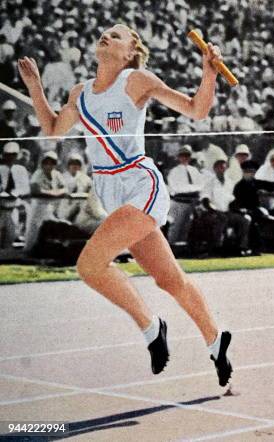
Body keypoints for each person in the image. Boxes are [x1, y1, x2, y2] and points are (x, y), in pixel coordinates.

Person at [17, 24, 232, 386]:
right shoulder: (80, 93)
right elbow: (54, 129)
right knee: (169, 280)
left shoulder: (136, 80)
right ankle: (217, 339)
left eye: (116, 35)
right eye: (104, 32)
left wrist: (208, 72)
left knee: (89, 265)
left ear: (130, 51)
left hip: (139, 184)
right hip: (110, 191)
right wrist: (36, 87)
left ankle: (152, 328)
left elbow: (197, 110)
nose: (106, 35)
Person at [166, 145, 206, 244]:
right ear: (179, 157)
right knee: (176, 226)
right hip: (179, 202)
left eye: (187, 155)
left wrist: (190, 188)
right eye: (182, 155)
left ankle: (182, 248)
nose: (185, 158)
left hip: (192, 202)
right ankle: (171, 247)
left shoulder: (194, 170)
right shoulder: (174, 171)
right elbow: (176, 188)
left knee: (187, 226)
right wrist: (191, 188)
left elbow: (201, 185)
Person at [0, 142, 30, 248]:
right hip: (1, 208)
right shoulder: (0, 169)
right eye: (8, 154)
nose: (10, 157)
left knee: (11, 237)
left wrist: (17, 193)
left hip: (13, 208)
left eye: (13, 154)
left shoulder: (20, 170)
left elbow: (26, 188)